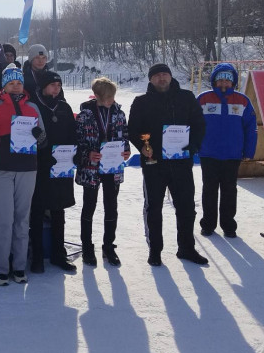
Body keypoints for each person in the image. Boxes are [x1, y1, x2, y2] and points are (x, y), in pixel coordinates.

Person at [128, 64, 207, 267]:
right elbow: (134, 129)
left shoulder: (187, 98)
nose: (161, 78)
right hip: (154, 164)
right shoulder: (141, 101)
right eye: (157, 76)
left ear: (170, 77)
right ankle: (155, 250)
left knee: (187, 207)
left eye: (165, 74)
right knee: (154, 208)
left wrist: (193, 145)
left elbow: (199, 124)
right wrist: (142, 147)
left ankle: (186, 248)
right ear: (151, 80)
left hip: (181, 162)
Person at [0, 64, 46, 286]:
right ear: (4, 85)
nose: (15, 87)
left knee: (21, 220)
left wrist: (38, 135)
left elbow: (43, 141)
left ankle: (19, 266)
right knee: (4, 220)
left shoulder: (33, 108)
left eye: (19, 83)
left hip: (27, 169)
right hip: (0, 170)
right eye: (11, 83)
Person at [75, 77, 131, 267]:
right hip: (91, 168)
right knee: (89, 207)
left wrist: (126, 151)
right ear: (97, 96)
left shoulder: (119, 114)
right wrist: (87, 154)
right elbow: (77, 142)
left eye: (113, 97)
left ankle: (108, 246)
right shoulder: (84, 115)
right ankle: (87, 247)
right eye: (108, 98)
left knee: (111, 206)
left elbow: (125, 136)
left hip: (112, 167)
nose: (111, 101)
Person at [197, 63, 257, 238]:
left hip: (232, 154)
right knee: (209, 189)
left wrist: (249, 151)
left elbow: (251, 128)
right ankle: (208, 224)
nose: (224, 83)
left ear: (233, 82)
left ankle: (229, 225)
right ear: (214, 81)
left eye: (228, 80)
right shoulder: (203, 98)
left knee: (229, 190)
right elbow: (193, 123)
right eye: (220, 79)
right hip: (209, 153)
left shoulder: (243, 100)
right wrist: (193, 146)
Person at [29, 70, 78, 274]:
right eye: (52, 85)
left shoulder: (65, 107)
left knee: (59, 212)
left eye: (58, 85)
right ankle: (37, 257)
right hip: (40, 167)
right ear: (43, 87)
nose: (56, 88)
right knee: (37, 213)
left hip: (61, 167)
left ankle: (59, 255)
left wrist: (74, 154)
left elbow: (74, 134)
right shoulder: (34, 106)